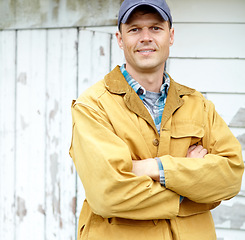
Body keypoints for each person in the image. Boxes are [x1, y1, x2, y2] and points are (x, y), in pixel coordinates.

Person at [69, 0, 244, 239]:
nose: (145, 37)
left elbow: (231, 176)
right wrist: (194, 189)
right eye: (134, 29)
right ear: (120, 39)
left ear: (170, 36)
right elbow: (108, 193)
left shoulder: (198, 104)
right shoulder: (93, 106)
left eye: (155, 28)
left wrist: (153, 168)